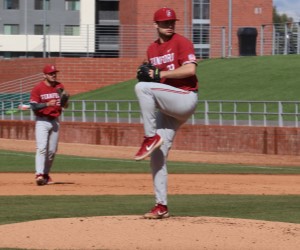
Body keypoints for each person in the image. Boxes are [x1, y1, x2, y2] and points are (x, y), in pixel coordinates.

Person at [134, 7, 199, 219]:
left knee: (142, 88)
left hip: (185, 98)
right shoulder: (152, 50)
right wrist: (148, 72)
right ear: (156, 25)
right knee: (157, 156)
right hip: (168, 105)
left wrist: (159, 73)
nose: (169, 25)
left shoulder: (182, 42)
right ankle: (161, 206)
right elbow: (155, 78)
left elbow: (190, 70)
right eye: (164, 22)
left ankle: (149, 136)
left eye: (172, 22)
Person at [30, 64, 69, 186]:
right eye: (50, 73)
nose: (53, 75)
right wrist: (47, 104)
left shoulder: (59, 86)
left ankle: (46, 175)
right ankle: (39, 174)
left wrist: (65, 102)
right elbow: (33, 106)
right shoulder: (38, 88)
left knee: (52, 151)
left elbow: (65, 105)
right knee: (41, 148)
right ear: (44, 75)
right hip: (42, 121)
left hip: (55, 120)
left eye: (54, 73)